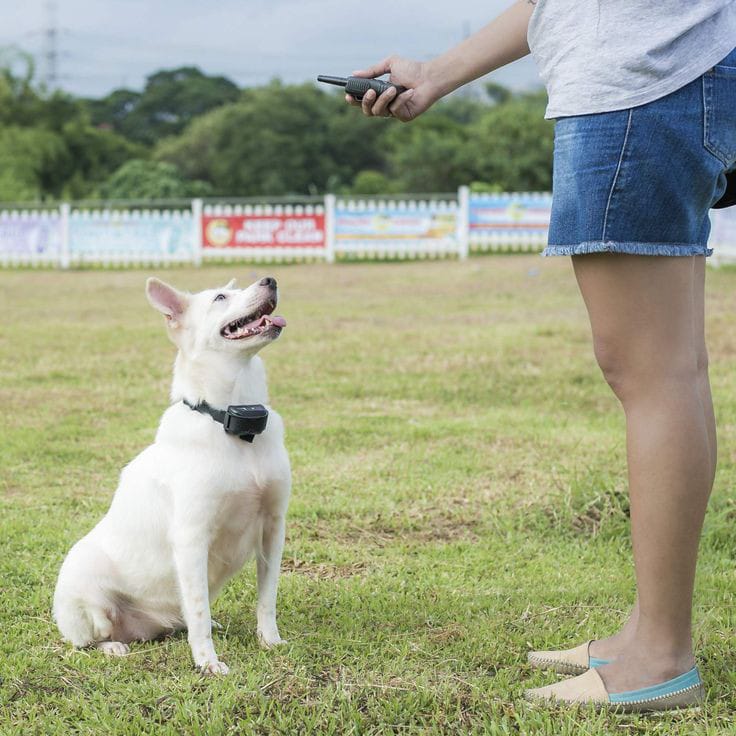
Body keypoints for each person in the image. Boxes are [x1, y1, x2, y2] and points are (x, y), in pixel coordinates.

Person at [345, 0, 736, 712]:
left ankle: (662, 657)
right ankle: (649, 631)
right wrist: (434, 75)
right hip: (655, 69)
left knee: (653, 371)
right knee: (667, 368)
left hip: (642, 76)